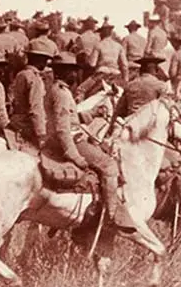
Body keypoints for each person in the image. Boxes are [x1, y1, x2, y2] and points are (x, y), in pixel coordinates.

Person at [39, 53, 139, 233]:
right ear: (66, 72)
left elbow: (70, 118)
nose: (76, 75)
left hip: (69, 137)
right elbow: (63, 129)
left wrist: (91, 113)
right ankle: (112, 216)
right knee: (109, 165)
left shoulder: (58, 89)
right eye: (73, 71)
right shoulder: (61, 92)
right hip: (70, 142)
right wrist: (73, 155)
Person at [8, 38, 55, 149]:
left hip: (15, 121)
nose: (46, 63)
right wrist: (41, 134)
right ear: (39, 59)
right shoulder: (35, 79)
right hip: (27, 126)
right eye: (45, 59)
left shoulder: (21, 74)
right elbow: (36, 108)